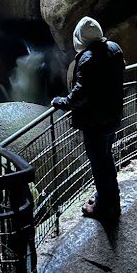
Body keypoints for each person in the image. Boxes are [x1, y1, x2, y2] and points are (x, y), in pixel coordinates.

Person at [52, 16, 125, 221]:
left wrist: (61, 101)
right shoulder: (114, 48)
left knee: (99, 164)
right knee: (106, 159)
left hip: (95, 122)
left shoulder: (88, 58)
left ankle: (103, 209)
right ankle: (112, 200)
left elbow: (79, 95)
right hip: (112, 116)